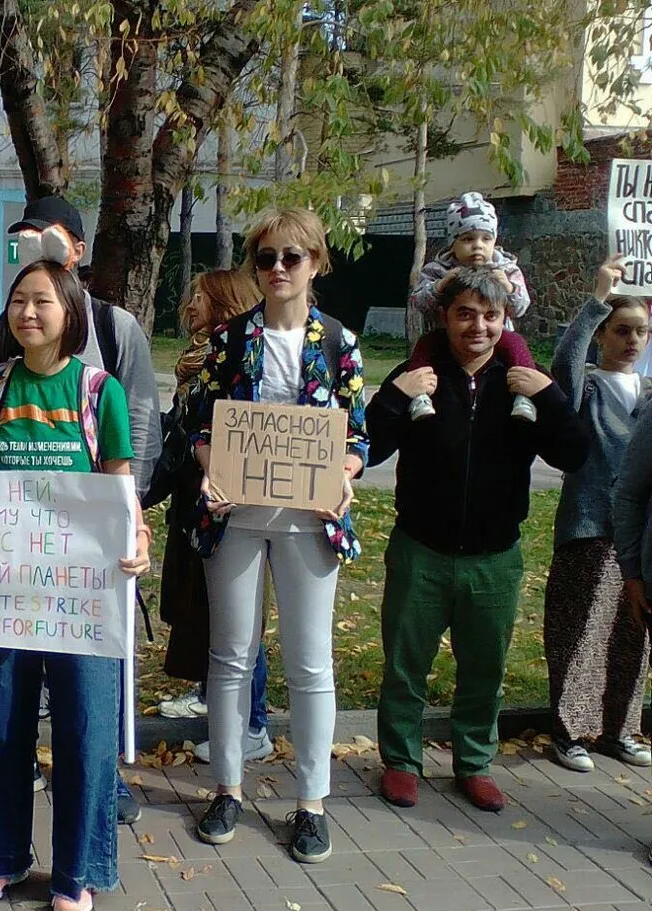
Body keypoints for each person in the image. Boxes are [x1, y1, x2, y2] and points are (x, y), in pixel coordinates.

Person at [0, 260, 151, 911]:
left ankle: (78, 870)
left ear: (69, 313)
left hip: (83, 593)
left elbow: (119, 485)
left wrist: (136, 537)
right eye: (17, 301)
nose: (26, 312)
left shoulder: (99, 391)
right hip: (5, 588)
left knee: (86, 723)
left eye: (41, 301)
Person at [369, 267, 588, 813]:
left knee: (484, 669)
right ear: (444, 317)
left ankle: (474, 762)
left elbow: (575, 455)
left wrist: (553, 397)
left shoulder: (523, 384)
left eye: (491, 316)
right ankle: (400, 761)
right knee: (404, 664)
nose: (478, 326)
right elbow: (367, 449)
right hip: (421, 548)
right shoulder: (418, 373)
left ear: (505, 320)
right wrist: (396, 396)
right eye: (465, 313)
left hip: (495, 558)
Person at [0, 195, 160, 824]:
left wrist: (128, 520)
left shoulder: (115, 329)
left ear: (77, 250)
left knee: (92, 679)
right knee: (9, 685)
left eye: (48, 240)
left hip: (88, 549)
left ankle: (102, 782)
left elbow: (136, 425)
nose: (36, 253)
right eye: (22, 240)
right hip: (14, 554)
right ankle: (13, 787)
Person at [188, 208, 367, 864]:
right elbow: (199, 424)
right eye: (265, 258)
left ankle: (311, 801)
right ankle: (227, 787)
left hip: (309, 516)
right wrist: (211, 470)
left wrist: (344, 472)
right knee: (230, 656)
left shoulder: (337, 342)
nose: (279, 269)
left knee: (309, 661)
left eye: (292, 257)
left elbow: (357, 436)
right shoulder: (232, 339)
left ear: (316, 262)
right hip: (236, 513)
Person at [158, 271, 274, 766]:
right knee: (208, 608)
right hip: (196, 498)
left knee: (238, 617)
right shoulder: (196, 359)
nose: (189, 305)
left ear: (225, 303)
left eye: (199, 297)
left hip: (230, 501)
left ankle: (253, 723)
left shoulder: (234, 361)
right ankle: (213, 696)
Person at [544, 257, 652, 773]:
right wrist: (596, 300)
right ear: (604, 334)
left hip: (641, 537)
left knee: (635, 633)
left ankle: (619, 728)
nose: (632, 341)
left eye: (641, 332)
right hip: (591, 525)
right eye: (621, 330)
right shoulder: (586, 387)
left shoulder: (649, 395)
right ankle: (569, 731)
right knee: (582, 629)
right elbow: (562, 365)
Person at [407, 191, 536, 422]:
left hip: (498, 335)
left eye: (486, 239)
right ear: (453, 242)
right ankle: (420, 395)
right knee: (425, 346)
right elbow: (418, 302)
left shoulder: (506, 269)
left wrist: (508, 288)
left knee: (517, 344)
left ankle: (524, 396)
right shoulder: (438, 270)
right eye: (468, 239)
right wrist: (439, 286)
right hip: (448, 336)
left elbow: (521, 307)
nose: (478, 246)